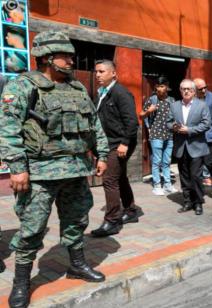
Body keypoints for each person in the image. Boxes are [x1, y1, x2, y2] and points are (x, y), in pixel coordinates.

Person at [0, 30, 109, 308]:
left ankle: (76, 265)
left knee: (76, 220)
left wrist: (102, 153)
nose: (71, 60)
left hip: (75, 169)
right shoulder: (22, 86)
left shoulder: (77, 88)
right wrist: (16, 168)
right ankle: (22, 282)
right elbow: (8, 128)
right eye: (66, 56)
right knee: (32, 228)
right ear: (48, 58)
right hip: (39, 173)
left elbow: (94, 123)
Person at [91, 59, 139, 237]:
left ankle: (112, 221)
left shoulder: (120, 93)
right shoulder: (101, 93)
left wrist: (125, 143)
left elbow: (132, 122)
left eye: (102, 72)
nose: (98, 75)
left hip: (120, 143)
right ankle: (131, 211)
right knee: (119, 178)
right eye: (96, 72)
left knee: (109, 179)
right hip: (109, 143)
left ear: (113, 74)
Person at [167, 79, 210, 215]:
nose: (186, 91)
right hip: (181, 146)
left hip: (196, 147)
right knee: (184, 176)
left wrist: (189, 130)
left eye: (188, 89)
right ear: (180, 91)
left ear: (193, 91)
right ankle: (187, 202)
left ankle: (198, 202)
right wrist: (174, 127)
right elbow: (168, 122)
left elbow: (206, 124)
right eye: (183, 89)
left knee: (195, 176)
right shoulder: (174, 106)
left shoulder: (202, 105)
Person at [140, 76, 178, 196]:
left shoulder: (172, 100)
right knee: (157, 161)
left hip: (169, 134)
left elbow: (176, 116)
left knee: (167, 161)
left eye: (162, 86)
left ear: (167, 87)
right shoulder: (152, 100)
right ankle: (157, 185)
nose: (159, 89)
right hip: (156, 134)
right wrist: (149, 111)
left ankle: (167, 184)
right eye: (157, 86)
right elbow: (141, 115)